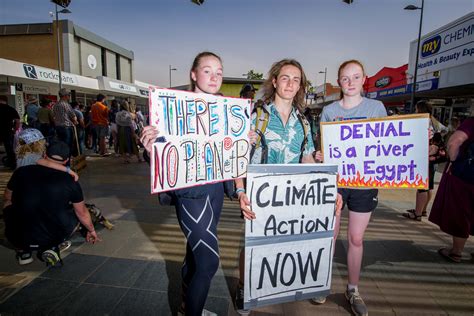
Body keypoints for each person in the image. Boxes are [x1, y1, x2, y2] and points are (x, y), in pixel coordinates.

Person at [233, 59, 342, 315]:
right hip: (259, 194)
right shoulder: (256, 117)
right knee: (250, 243)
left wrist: (327, 190)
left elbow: (307, 159)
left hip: (292, 197)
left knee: (286, 243)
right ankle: (243, 286)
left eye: (296, 79)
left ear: (300, 85)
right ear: (274, 81)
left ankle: (289, 283)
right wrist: (240, 190)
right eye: (285, 77)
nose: (290, 83)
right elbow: (237, 157)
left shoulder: (303, 122)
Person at [141, 52, 232, 316]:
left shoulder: (225, 106)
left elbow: (228, 150)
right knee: (208, 261)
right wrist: (150, 148)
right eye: (207, 70)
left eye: (219, 71)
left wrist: (242, 140)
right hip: (191, 194)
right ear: (193, 74)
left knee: (194, 255)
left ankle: (187, 306)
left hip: (215, 190)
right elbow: (162, 151)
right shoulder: (172, 106)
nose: (214, 77)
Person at [313, 60, 387, 316]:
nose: (350, 83)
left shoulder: (377, 108)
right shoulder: (330, 111)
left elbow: (386, 144)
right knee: (329, 236)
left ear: (364, 78)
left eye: (356, 77)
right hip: (335, 183)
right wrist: (320, 154)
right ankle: (321, 284)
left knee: (356, 238)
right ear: (339, 81)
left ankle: (352, 289)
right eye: (345, 78)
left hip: (364, 184)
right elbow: (322, 147)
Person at [2, 141, 100, 266]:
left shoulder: (21, 172)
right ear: (66, 160)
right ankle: (51, 247)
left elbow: (7, 196)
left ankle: (23, 251)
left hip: (17, 235)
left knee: (8, 204)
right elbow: (81, 213)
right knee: (77, 212)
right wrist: (91, 230)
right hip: (51, 235)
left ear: (44, 155)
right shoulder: (70, 181)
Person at [429, 116, 474, 263]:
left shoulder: (471, 123)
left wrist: (454, 162)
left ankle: (456, 252)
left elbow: (455, 141)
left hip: (466, 176)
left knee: (462, 212)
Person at [403, 100, 440, 220]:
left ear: (421, 109)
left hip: (425, 157)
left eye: (416, 109)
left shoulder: (423, 122)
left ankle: (417, 214)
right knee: (428, 186)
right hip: (433, 158)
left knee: (422, 186)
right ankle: (422, 210)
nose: (415, 111)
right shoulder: (435, 122)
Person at [52, 88, 77, 155]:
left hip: (58, 127)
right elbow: (73, 116)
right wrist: (75, 121)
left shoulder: (55, 105)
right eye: (68, 95)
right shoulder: (66, 104)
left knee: (61, 144)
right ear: (65, 95)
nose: (69, 96)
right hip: (66, 127)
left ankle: (61, 159)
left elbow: (53, 116)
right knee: (68, 145)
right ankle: (67, 161)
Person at [0, 96, 20, 169]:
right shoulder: (11, 109)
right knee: (9, 149)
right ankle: (12, 164)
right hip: (7, 131)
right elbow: (17, 122)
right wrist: (14, 130)